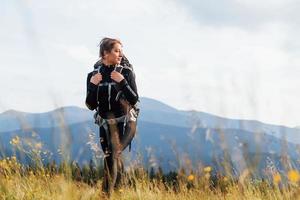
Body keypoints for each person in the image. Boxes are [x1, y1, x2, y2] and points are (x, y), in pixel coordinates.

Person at [85, 37, 139, 195]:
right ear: (104, 54)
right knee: (112, 156)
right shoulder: (92, 76)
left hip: (127, 123)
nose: (120, 55)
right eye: (116, 51)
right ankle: (118, 191)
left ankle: (105, 195)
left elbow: (134, 99)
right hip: (105, 123)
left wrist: (122, 82)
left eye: (121, 51)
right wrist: (93, 85)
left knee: (114, 153)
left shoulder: (127, 73)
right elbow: (90, 105)